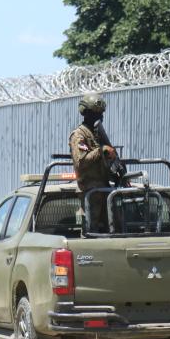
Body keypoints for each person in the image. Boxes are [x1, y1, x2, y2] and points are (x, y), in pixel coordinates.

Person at [68, 92, 117, 233]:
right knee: (91, 231)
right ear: (86, 113)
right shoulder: (79, 134)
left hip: (104, 190)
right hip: (90, 190)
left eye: (100, 113)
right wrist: (102, 150)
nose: (99, 117)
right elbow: (81, 161)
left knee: (113, 230)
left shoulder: (96, 135)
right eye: (95, 113)